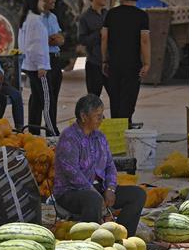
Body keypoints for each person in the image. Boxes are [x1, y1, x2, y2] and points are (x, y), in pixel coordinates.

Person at [53, 95, 146, 238]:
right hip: (70, 192)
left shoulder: (100, 137)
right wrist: (96, 193)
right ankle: (91, 242)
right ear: (84, 117)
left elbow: (110, 165)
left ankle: (121, 236)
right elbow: (72, 172)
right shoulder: (69, 138)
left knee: (137, 194)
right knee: (93, 199)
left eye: (102, 115)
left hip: (98, 188)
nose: (102, 119)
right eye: (97, 116)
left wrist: (110, 188)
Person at [101, 0, 150, 126]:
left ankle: (117, 128)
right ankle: (125, 127)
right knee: (128, 99)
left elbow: (104, 38)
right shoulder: (142, 16)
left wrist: (104, 60)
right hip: (132, 64)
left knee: (115, 98)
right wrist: (147, 63)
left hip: (114, 63)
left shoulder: (111, 14)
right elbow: (144, 41)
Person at [19, 0, 58, 135]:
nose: (43, 3)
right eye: (41, 0)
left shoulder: (27, 19)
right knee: (47, 101)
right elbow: (37, 45)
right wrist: (41, 65)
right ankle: (52, 132)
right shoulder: (35, 21)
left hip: (30, 65)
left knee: (37, 99)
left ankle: (35, 132)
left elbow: (25, 45)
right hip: (38, 67)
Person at [39, 0, 65, 129]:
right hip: (44, 59)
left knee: (54, 96)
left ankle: (52, 126)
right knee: (44, 97)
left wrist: (59, 39)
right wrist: (51, 40)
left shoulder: (53, 17)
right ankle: (49, 129)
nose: (53, 0)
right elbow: (39, 40)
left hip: (55, 58)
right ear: (41, 0)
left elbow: (60, 37)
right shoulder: (37, 19)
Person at [77, 0, 109, 97]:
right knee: (93, 97)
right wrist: (98, 34)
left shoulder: (109, 15)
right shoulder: (85, 18)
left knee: (116, 96)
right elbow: (82, 40)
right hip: (94, 63)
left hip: (110, 63)